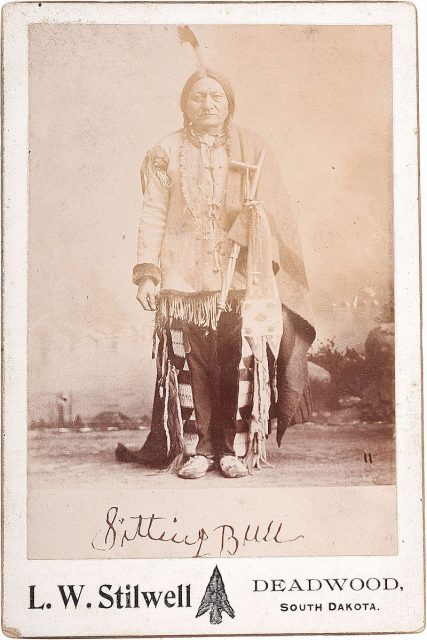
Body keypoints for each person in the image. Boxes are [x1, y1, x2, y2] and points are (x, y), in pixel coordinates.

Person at [124, 67, 315, 479]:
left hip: (240, 277)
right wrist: (147, 275)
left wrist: (254, 219)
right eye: (198, 97)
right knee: (189, 365)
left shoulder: (250, 149)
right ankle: (198, 450)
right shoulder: (165, 151)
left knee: (238, 362)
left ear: (229, 104)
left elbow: (276, 215)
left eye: (216, 97)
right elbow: (153, 213)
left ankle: (232, 448)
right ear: (184, 104)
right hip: (182, 281)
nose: (207, 104)